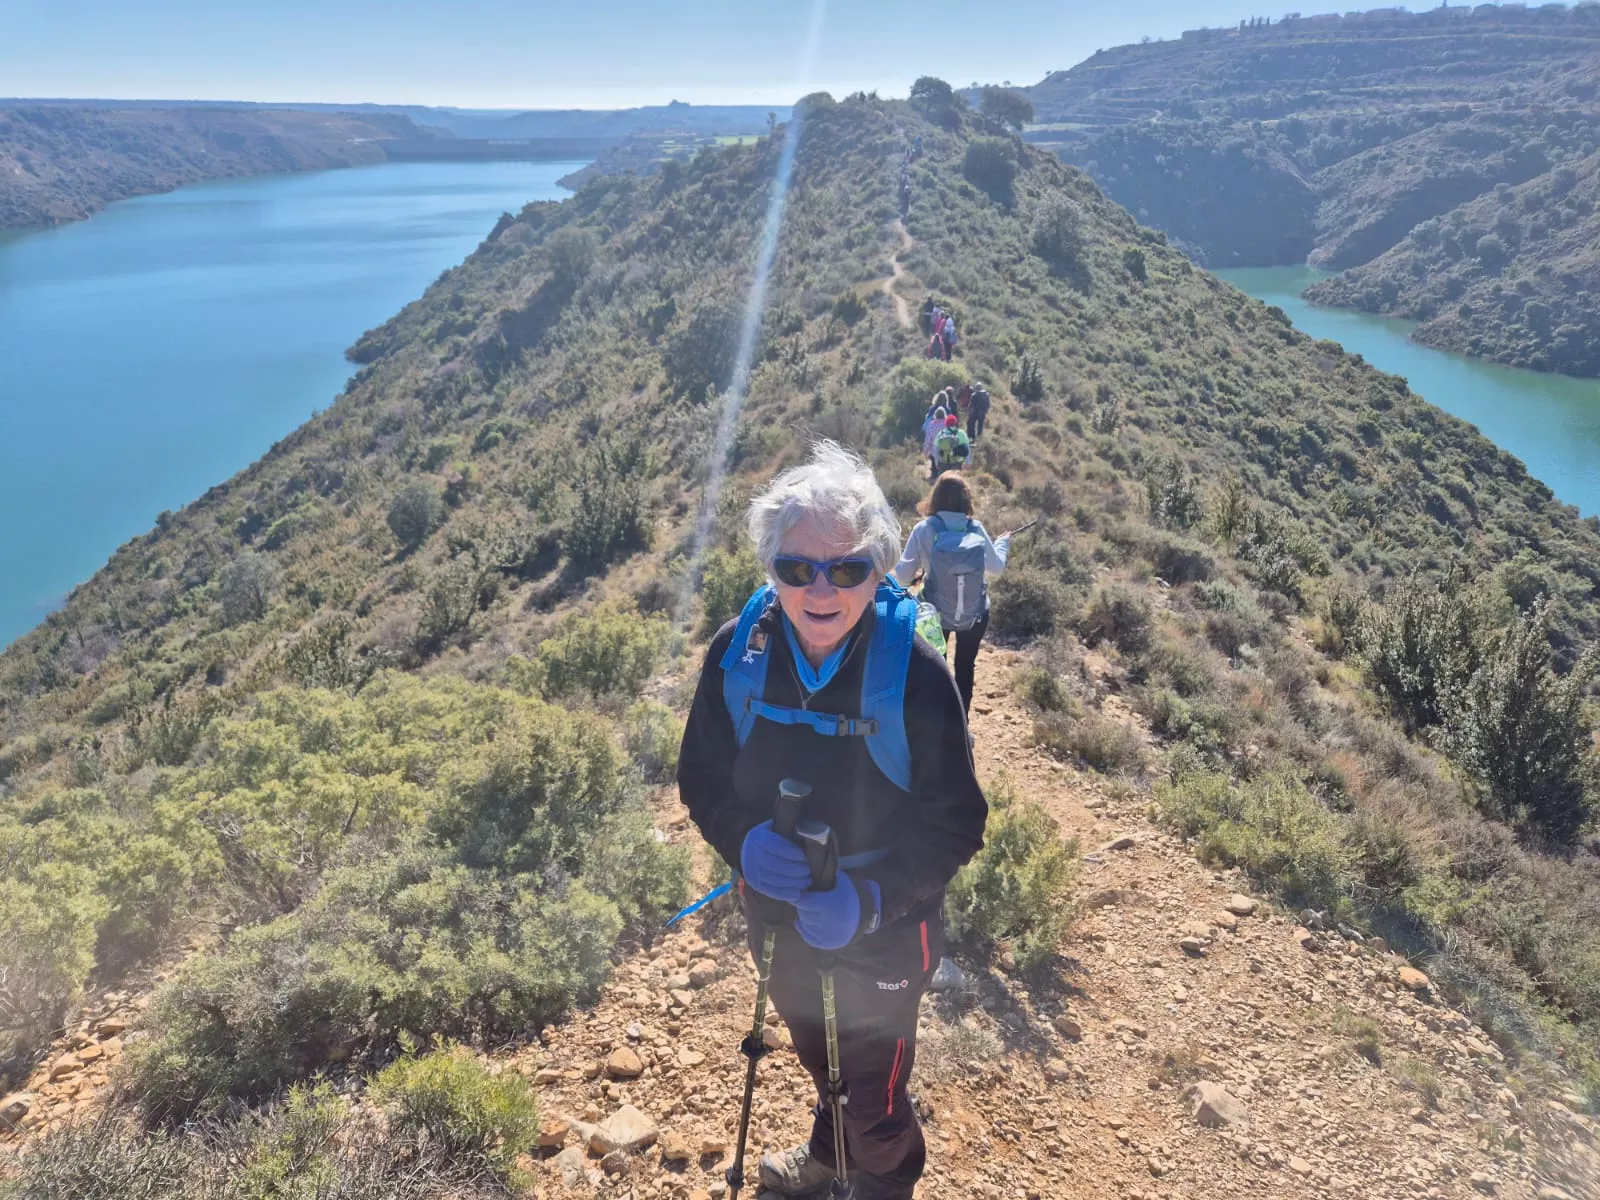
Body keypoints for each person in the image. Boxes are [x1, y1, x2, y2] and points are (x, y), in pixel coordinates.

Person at [677, 441, 987, 1200]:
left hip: (884, 928)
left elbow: (957, 821)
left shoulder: (914, 675)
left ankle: (881, 1184)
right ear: (770, 569)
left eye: (846, 568)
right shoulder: (736, 654)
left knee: (876, 1098)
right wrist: (743, 841)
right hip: (776, 916)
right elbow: (701, 778)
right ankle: (827, 1159)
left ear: (879, 568)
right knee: (824, 1060)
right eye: (796, 568)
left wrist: (871, 897)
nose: (821, 589)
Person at [892, 472, 1012, 716]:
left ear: (935, 497)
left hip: (934, 615)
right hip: (975, 613)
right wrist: (1003, 543)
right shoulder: (975, 528)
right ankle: (962, 726)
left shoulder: (923, 529)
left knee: (937, 669)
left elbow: (903, 577)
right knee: (965, 667)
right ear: (965, 499)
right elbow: (996, 568)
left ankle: (937, 724)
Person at [921, 405, 948, 477]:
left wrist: (925, 450)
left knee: (934, 464)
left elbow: (928, 438)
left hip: (933, 449)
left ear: (935, 415)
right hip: (944, 448)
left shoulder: (932, 424)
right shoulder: (946, 424)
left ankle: (934, 476)